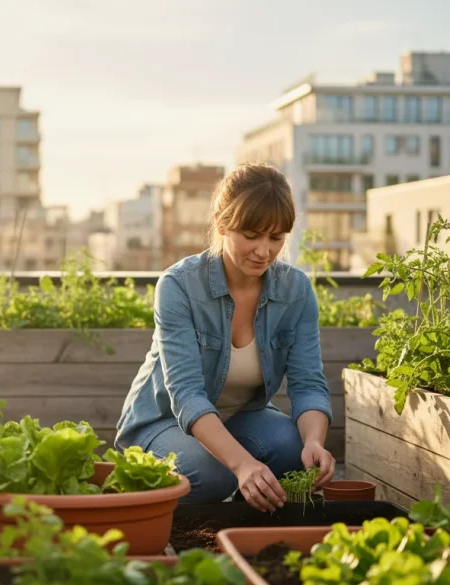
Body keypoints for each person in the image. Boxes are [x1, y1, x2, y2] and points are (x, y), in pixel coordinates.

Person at [114, 162, 335, 512]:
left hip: (241, 417)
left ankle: (239, 520)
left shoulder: (296, 291)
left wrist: (314, 442)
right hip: (162, 423)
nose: (264, 251)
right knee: (211, 472)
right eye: (251, 236)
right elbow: (186, 395)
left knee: (294, 451)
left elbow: (308, 384)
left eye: (276, 238)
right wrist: (243, 464)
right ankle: (159, 514)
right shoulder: (179, 286)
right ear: (222, 224)